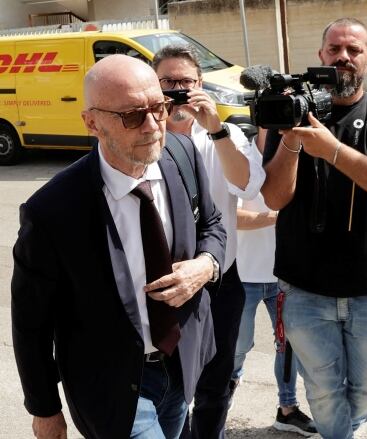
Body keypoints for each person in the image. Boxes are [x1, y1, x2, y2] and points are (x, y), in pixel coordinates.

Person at [11, 54, 226, 439]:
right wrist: (45, 409)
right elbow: (31, 322)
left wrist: (206, 265)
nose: (152, 126)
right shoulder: (52, 210)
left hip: (180, 366)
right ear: (92, 122)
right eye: (131, 115)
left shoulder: (182, 154)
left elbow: (212, 224)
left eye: (158, 108)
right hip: (111, 385)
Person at [261, 17, 367, 439]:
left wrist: (332, 150)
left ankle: (344, 429)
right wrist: (292, 139)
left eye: (353, 50)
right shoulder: (290, 114)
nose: (343, 57)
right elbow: (274, 198)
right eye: (334, 49)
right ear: (321, 56)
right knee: (323, 390)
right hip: (305, 289)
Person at [152, 44, 264, 439]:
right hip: (167, 285)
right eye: (169, 83)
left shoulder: (224, 133)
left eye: (187, 82)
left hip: (221, 281)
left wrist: (215, 128)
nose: (179, 91)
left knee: (216, 383)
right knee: (171, 386)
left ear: (201, 85)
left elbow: (249, 185)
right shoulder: (147, 136)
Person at [231, 133, 317, 437]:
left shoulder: (300, 151)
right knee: (237, 349)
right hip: (242, 274)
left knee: (288, 346)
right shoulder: (238, 152)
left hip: (285, 275)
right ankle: (216, 411)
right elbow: (230, 215)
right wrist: (280, 216)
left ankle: (287, 409)